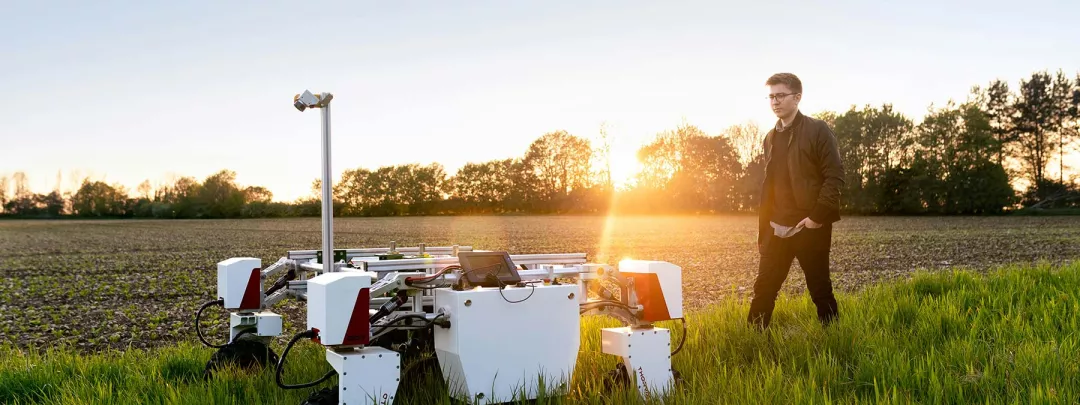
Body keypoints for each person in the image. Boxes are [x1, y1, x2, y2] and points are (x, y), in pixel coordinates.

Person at [748, 73, 845, 330]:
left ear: (797, 97)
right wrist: (763, 232)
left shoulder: (817, 130)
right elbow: (769, 186)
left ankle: (835, 339)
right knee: (764, 290)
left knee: (820, 290)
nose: (775, 102)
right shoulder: (770, 138)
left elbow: (834, 176)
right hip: (776, 228)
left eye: (780, 95)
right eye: (771, 96)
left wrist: (816, 218)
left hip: (808, 226)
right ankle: (751, 342)